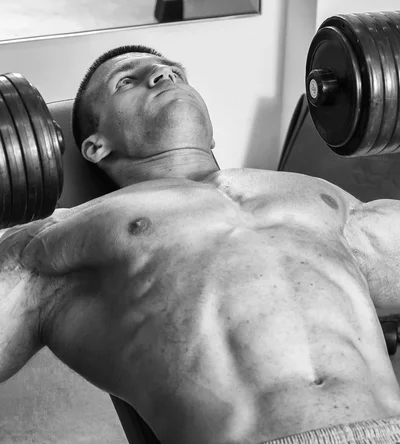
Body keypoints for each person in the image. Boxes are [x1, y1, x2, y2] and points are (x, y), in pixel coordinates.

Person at [2, 44, 400, 444]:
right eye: (126, 81)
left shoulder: (322, 196)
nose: (161, 76)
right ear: (95, 145)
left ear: (211, 131)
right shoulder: (57, 237)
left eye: (173, 72)